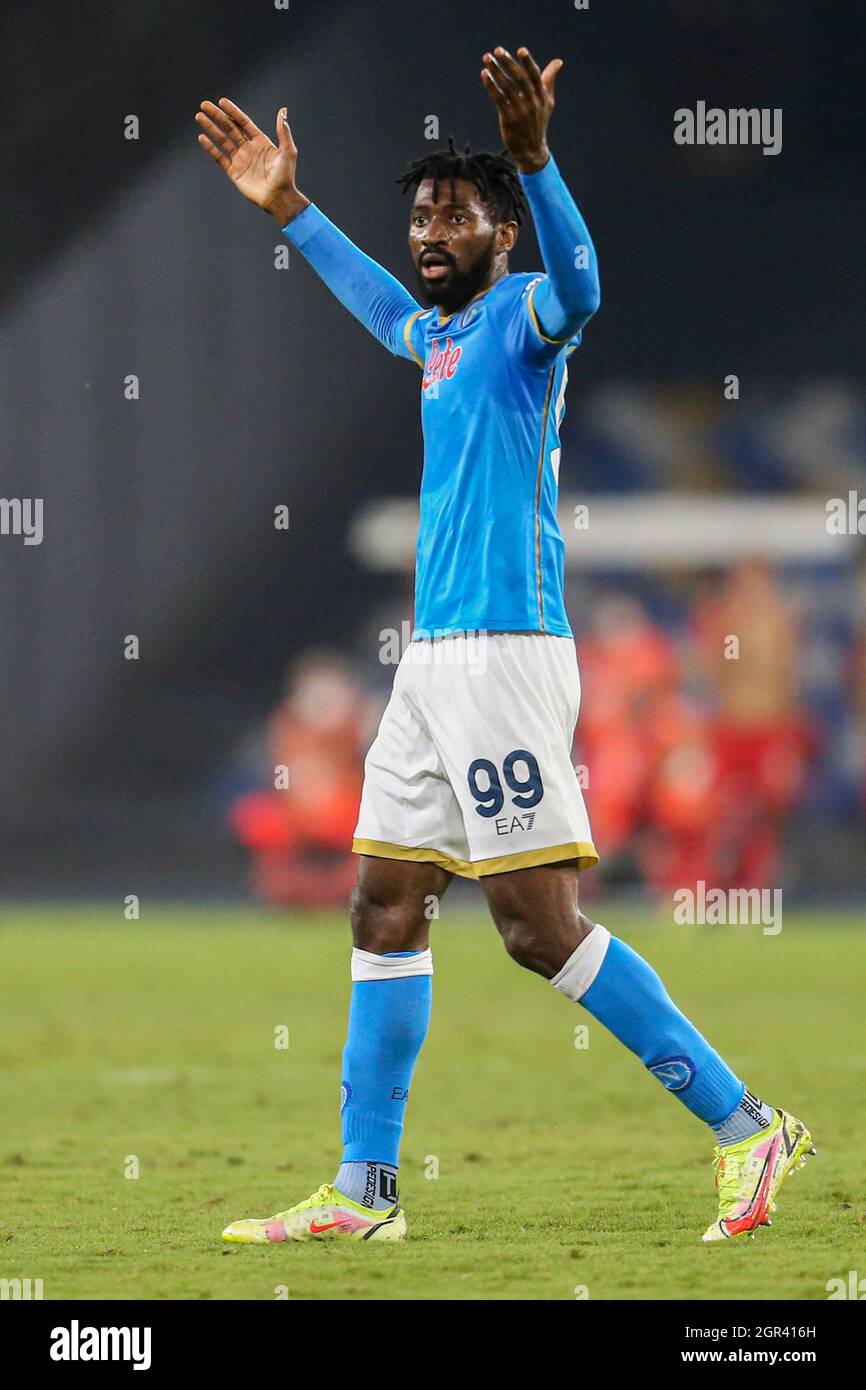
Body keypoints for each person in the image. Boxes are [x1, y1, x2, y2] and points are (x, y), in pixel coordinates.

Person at [196, 43, 813, 1246]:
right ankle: (364, 1191)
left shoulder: (525, 325)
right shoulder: (431, 337)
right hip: (430, 665)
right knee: (382, 907)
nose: (429, 233)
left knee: (536, 927)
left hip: (505, 655)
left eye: (454, 215)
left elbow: (581, 290)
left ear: (500, 235)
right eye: (420, 215)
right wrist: (294, 209)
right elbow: (382, 305)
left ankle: (748, 1126)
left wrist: (533, 161)